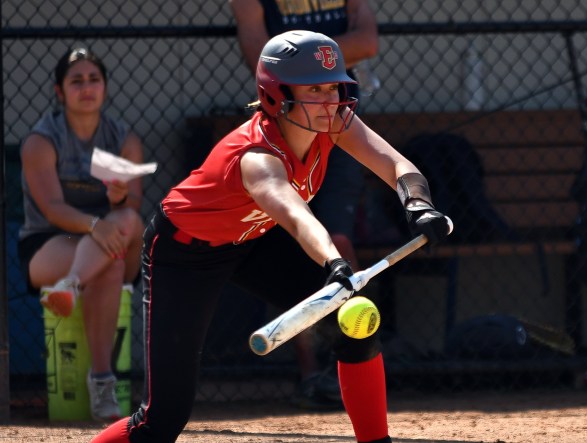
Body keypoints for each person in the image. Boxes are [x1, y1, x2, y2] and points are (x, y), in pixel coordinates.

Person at [91, 30, 449, 443]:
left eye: (334, 87)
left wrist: (418, 204)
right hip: (186, 252)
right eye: (315, 88)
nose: (331, 99)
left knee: (356, 326)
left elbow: (396, 165)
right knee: (163, 418)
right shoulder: (256, 157)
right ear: (277, 95)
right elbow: (295, 215)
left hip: (255, 238)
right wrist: (333, 263)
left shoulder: (334, 118)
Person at [230, 0, 379, 408]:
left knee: (338, 242)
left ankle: (345, 363)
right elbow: (261, 58)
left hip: (333, 122)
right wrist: (327, 59)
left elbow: (368, 41)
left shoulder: (335, 102)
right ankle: (311, 374)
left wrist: (307, 65)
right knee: (301, 245)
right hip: (290, 126)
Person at [18, 47, 145, 422]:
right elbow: (51, 209)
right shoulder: (41, 141)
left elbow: (132, 207)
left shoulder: (123, 138)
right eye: (76, 81)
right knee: (107, 264)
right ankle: (102, 383)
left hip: (114, 239)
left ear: (104, 88)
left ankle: (71, 284)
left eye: (94, 80)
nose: (86, 87)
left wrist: (119, 197)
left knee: (127, 222)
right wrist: (94, 224)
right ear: (60, 92)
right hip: (50, 242)